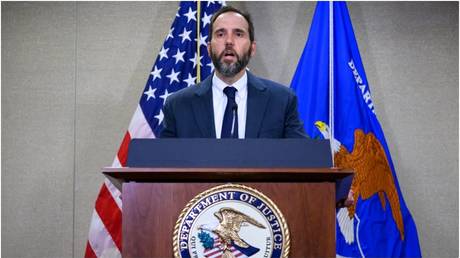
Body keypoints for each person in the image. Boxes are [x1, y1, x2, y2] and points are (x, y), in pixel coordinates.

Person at [160, 6, 307, 139]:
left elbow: (301, 159)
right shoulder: (178, 105)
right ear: (209, 49)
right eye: (220, 34)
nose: (229, 41)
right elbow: (165, 162)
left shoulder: (282, 101)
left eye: (238, 34)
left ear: (252, 49)